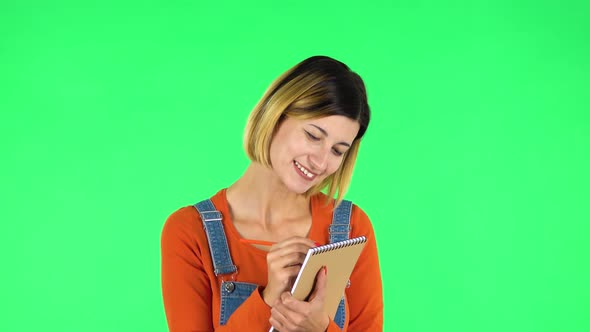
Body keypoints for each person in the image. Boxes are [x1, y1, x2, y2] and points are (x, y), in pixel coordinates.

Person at [161, 56, 383, 332]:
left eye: (338, 150)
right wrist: (268, 300)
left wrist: (321, 329)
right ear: (276, 115)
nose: (321, 162)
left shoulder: (350, 228)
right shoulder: (189, 232)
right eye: (313, 135)